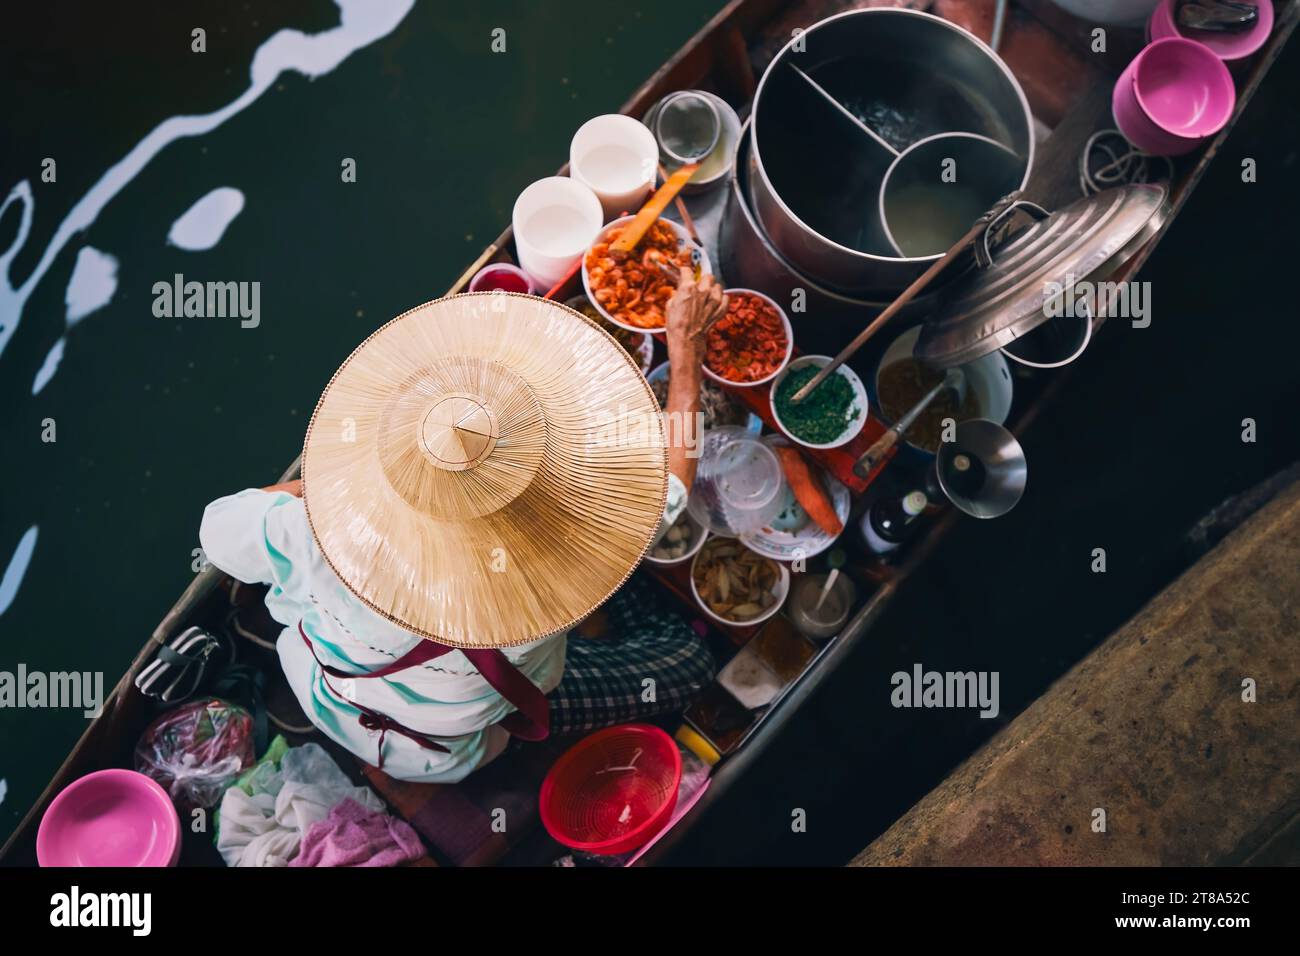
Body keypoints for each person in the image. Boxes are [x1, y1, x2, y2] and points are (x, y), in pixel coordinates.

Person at [200, 269, 727, 782]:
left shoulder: (308, 532)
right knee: (690, 659)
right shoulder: (573, 547)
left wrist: (315, 495)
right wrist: (686, 351)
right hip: (450, 746)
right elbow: (673, 480)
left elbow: (216, 530)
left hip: (330, 690)